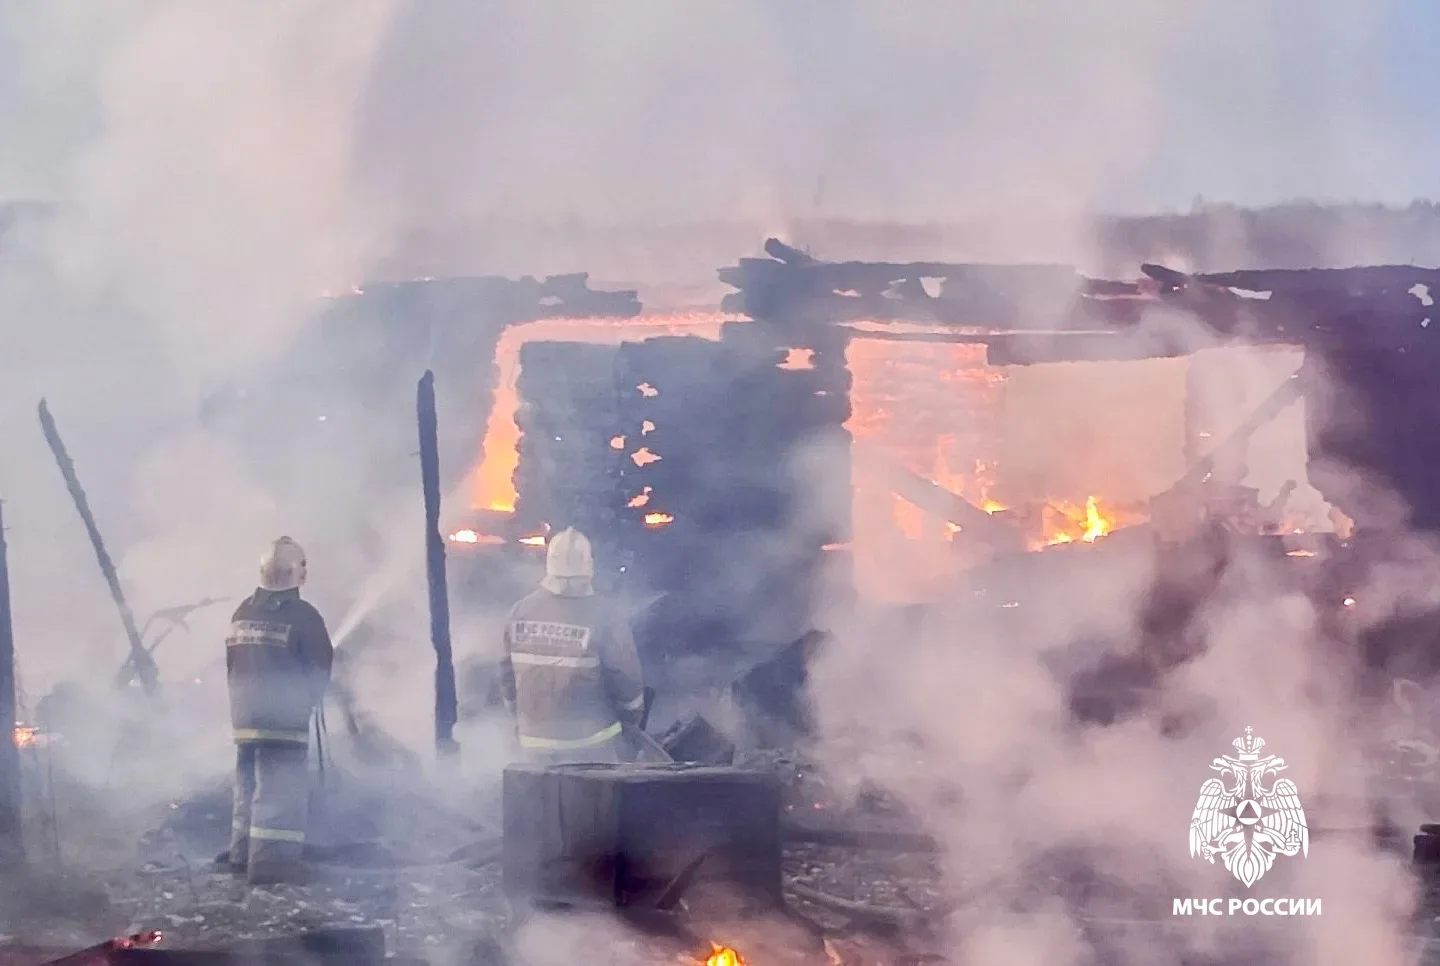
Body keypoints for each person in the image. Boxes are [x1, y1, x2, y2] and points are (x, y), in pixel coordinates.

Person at [217, 536, 334, 885]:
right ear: (296, 572)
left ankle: (240, 857)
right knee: (279, 799)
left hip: (244, 721)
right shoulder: (303, 616)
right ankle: (271, 870)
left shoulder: (243, 611)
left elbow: (231, 664)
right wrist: (305, 702)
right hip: (283, 724)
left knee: (247, 790)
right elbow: (319, 668)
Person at [500, 527, 645, 764]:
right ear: (589, 567)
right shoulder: (605, 616)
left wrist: (524, 718)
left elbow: (507, 678)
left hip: (533, 747)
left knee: (539, 790)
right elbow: (626, 682)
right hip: (592, 748)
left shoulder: (520, 611)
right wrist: (631, 724)